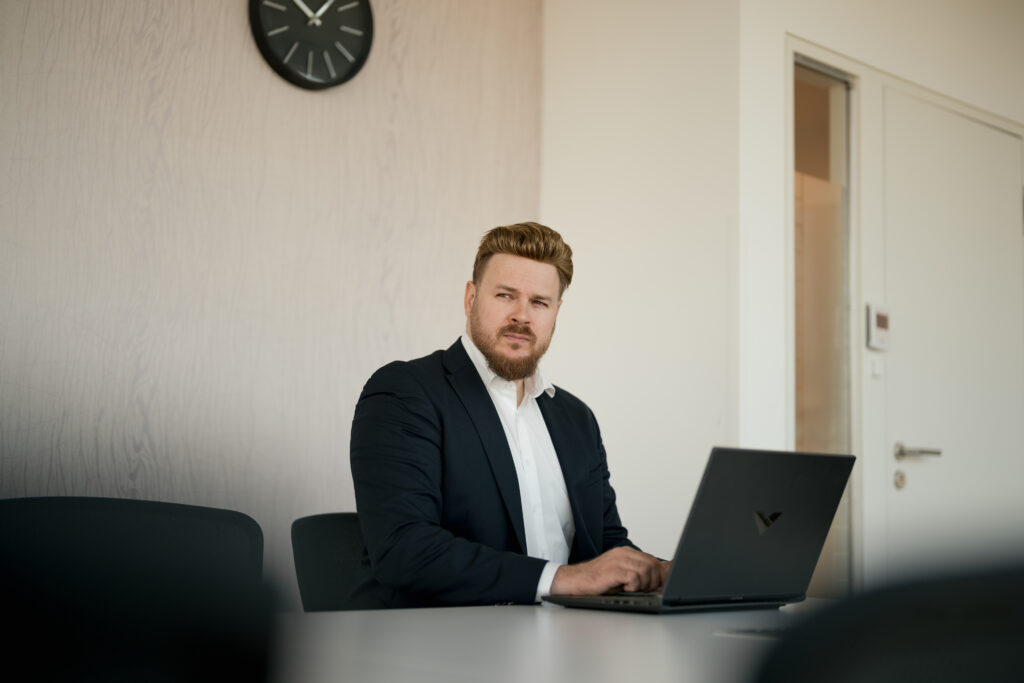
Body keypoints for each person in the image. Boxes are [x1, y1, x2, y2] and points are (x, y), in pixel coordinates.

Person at [348, 222, 666, 608]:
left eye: (539, 302)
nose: (522, 316)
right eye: (505, 295)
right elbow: (405, 549)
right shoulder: (406, 392)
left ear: (556, 313)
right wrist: (563, 579)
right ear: (470, 298)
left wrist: (666, 573)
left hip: (565, 646)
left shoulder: (576, 419)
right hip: (437, 648)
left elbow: (605, 547)